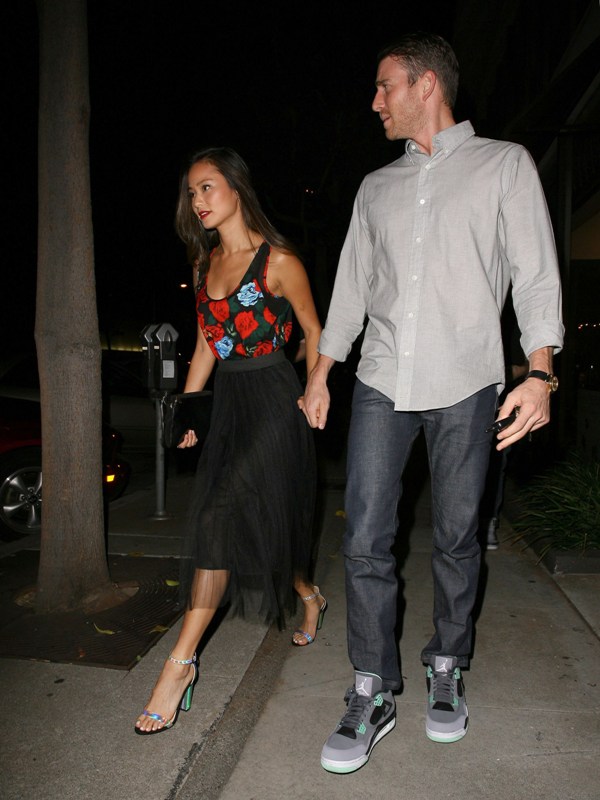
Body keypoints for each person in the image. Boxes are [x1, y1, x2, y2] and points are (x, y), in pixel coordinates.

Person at [300, 31, 564, 773]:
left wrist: (540, 372)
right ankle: (372, 686)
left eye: (385, 85)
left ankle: (446, 663)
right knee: (364, 538)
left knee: (455, 537)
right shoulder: (376, 187)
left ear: (426, 85)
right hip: (383, 380)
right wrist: (321, 374)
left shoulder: (504, 165)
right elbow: (351, 287)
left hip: (468, 382)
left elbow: (535, 272)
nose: (375, 101)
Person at [135, 146, 324, 734]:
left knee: (219, 518)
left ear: (237, 190)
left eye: (208, 187)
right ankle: (308, 592)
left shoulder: (279, 262)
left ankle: (179, 664)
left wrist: (315, 388)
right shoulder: (203, 264)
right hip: (229, 406)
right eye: (192, 192)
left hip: (274, 402)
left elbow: (313, 328)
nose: (198, 200)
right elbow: (205, 346)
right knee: (261, 528)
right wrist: (186, 412)